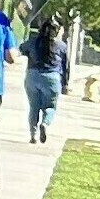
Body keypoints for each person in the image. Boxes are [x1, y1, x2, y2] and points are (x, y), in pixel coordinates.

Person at [22, 13, 69, 145]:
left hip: (32, 76)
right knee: (50, 106)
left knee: (33, 107)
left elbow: (21, 49)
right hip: (52, 78)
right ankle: (45, 124)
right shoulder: (62, 46)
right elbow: (66, 67)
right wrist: (65, 84)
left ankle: (33, 135)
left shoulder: (33, 42)